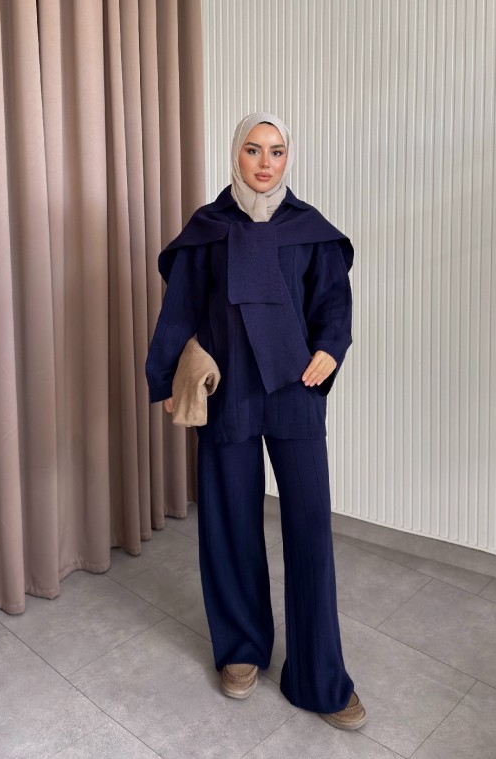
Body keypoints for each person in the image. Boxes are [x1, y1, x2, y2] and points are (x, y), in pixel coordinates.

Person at [145, 113, 366, 731]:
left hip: (296, 391)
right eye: (253, 150)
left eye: (276, 151)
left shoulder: (309, 228)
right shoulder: (209, 228)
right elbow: (180, 309)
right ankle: (241, 648)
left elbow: (334, 303)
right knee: (229, 523)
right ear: (235, 155)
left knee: (310, 532)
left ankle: (320, 676)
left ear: (287, 158)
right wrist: (167, 378)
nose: (265, 162)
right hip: (230, 393)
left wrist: (331, 349)